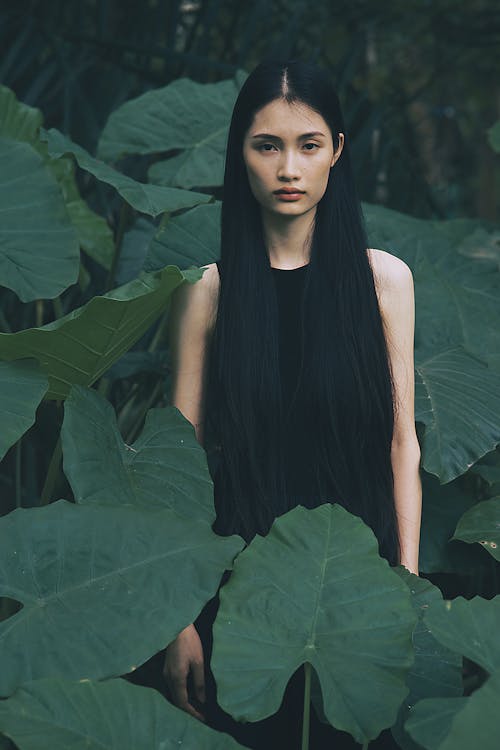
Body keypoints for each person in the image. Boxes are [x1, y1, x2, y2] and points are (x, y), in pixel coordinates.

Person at [163, 58, 422, 749]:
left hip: (360, 587)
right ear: (239, 153)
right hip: (242, 601)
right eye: (266, 145)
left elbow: (403, 444)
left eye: (308, 145)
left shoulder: (385, 282)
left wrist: (406, 589)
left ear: (337, 149)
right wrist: (179, 617)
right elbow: (176, 461)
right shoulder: (208, 295)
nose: (288, 168)